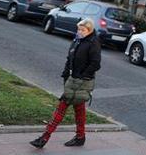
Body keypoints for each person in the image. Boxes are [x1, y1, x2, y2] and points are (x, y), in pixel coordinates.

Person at [31, 18, 101, 149]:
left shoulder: (93, 43)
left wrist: (82, 76)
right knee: (79, 109)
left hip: (81, 82)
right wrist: (65, 72)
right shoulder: (77, 40)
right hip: (71, 80)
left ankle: (44, 137)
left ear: (89, 30)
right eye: (78, 29)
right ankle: (80, 137)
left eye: (83, 30)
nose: (79, 32)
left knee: (61, 108)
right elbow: (70, 58)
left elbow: (96, 64)